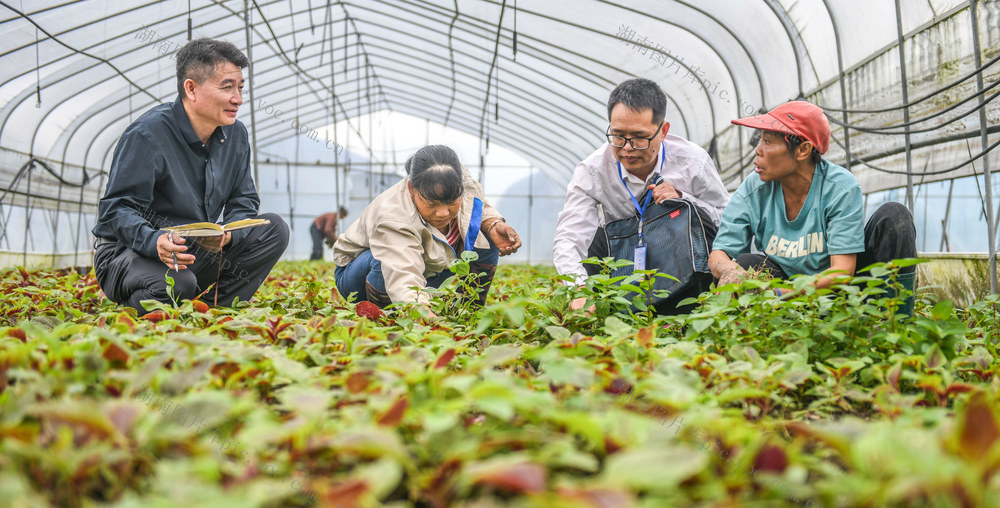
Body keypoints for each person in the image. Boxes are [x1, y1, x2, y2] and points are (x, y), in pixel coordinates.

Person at [92, 38, 289, 314]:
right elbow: (115, 210)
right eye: (227, 87)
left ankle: (212, 309)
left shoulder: (236, 135)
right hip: (129, 253)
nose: (238, 99)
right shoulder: (147, 135)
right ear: (191, 89)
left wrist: (229, 234)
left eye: (241, 88)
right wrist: (154, 241)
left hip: (192, 249)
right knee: (179, 282)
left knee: (274, 228)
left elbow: (243, 199)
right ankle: (139, 304)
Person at [553, 78, 730, 311]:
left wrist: (685, 200)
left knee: (697, 221)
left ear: (663, 131)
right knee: (592, 243)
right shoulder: (593, 170)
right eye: (617, 135)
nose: (627, 147)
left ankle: (693, 303)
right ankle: (608, 308)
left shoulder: (691, 162)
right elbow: (569, 238)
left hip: (678, 256)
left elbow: (726, 219)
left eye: (639, 137)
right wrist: (578, 287)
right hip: (622, 254)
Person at [709, 101, 916, 295]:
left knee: (895, 217)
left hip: (839, 293)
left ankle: (895, 321)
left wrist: (783, 293)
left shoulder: (840, 188)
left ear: (803, 150)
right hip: (784, 289)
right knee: (746, 264)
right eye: (760, 139)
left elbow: (842, 272)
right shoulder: (754, 188)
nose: (758, 150)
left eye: (768, 141)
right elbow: (719, 253)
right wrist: (729, 270)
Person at [333, 145, 521, 308]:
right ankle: (384, 315)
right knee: (382, 260)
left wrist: (493, 224)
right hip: (358, 275)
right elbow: (403, 277)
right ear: (412, 190)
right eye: (432, 204)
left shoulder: (458, 178)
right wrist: (422, 315)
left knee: (485, 238)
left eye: (451, 202)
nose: (443, 213)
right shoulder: (393, 215)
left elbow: (476, 205)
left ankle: (468, 309)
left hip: (426, 268)